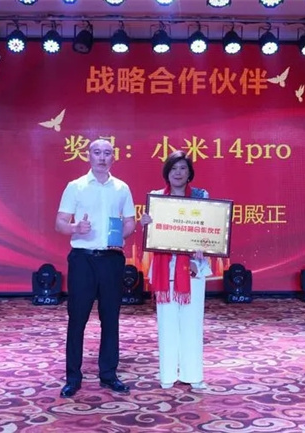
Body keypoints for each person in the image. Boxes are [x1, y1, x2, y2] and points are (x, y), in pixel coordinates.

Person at [55, 138, 136, 398]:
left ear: (114, 157)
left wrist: (121, 235)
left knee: (110, 319)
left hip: (112, 259)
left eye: (107, 153)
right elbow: (60, 222)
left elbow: (130, 221)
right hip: (83, 259)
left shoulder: (122, 188)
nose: (102, 157)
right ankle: (73, 377)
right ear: (88, 156)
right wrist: (75, 227)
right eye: (97, 152)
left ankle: (109, 374)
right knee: (77, 319)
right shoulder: (75, 186)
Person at [140, 150, 212, 390]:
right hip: (164, 268)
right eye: (173, 168)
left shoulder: (201, 197)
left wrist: (204, 246)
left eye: (182, 168)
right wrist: (146, 226)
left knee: (192, 323)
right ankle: (168, 375)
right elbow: (153, 236)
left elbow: (209, 229)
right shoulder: (157, 199)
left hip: (193, 267)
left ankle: (193, 374)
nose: (178, 173)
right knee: (167, 324)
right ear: (166, 173)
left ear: (190, 172)